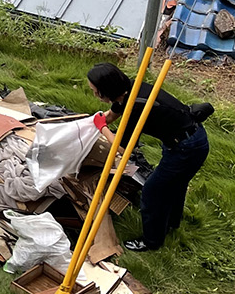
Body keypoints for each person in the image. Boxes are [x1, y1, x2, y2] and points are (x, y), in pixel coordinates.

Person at [87, 62, 212, 252]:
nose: (95, 95)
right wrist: (95, 120)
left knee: (152, 192)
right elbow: (112, 114)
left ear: (107, 89)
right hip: (184, 139)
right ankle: (171, 223)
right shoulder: (128, 88)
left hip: (187, 147)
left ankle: (151, 241)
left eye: (96, 91)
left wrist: (102, 128)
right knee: (174, 184)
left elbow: (122, 148)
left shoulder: (136, 107)